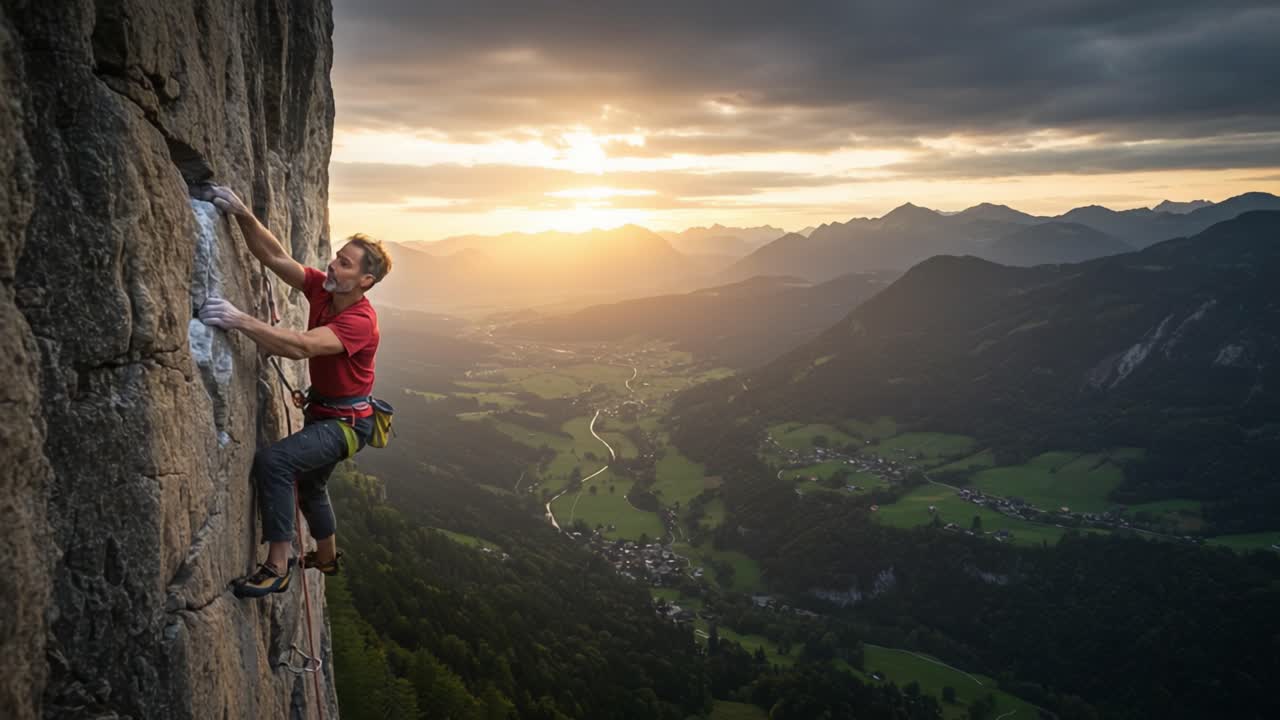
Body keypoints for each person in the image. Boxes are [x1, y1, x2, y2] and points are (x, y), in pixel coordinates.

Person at [197, 185, 392, 598]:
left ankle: (277, 566)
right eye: (337, 258)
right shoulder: (324, 289)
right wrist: (244, 214)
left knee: (275, 462)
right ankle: (326, 556)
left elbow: (300, 346)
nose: (333, 266)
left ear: (365, 280)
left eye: (345, 264)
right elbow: (275, 257)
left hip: (344, 425)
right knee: (311, 486)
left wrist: (239, 321)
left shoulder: (360, 321)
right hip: (328, 413)